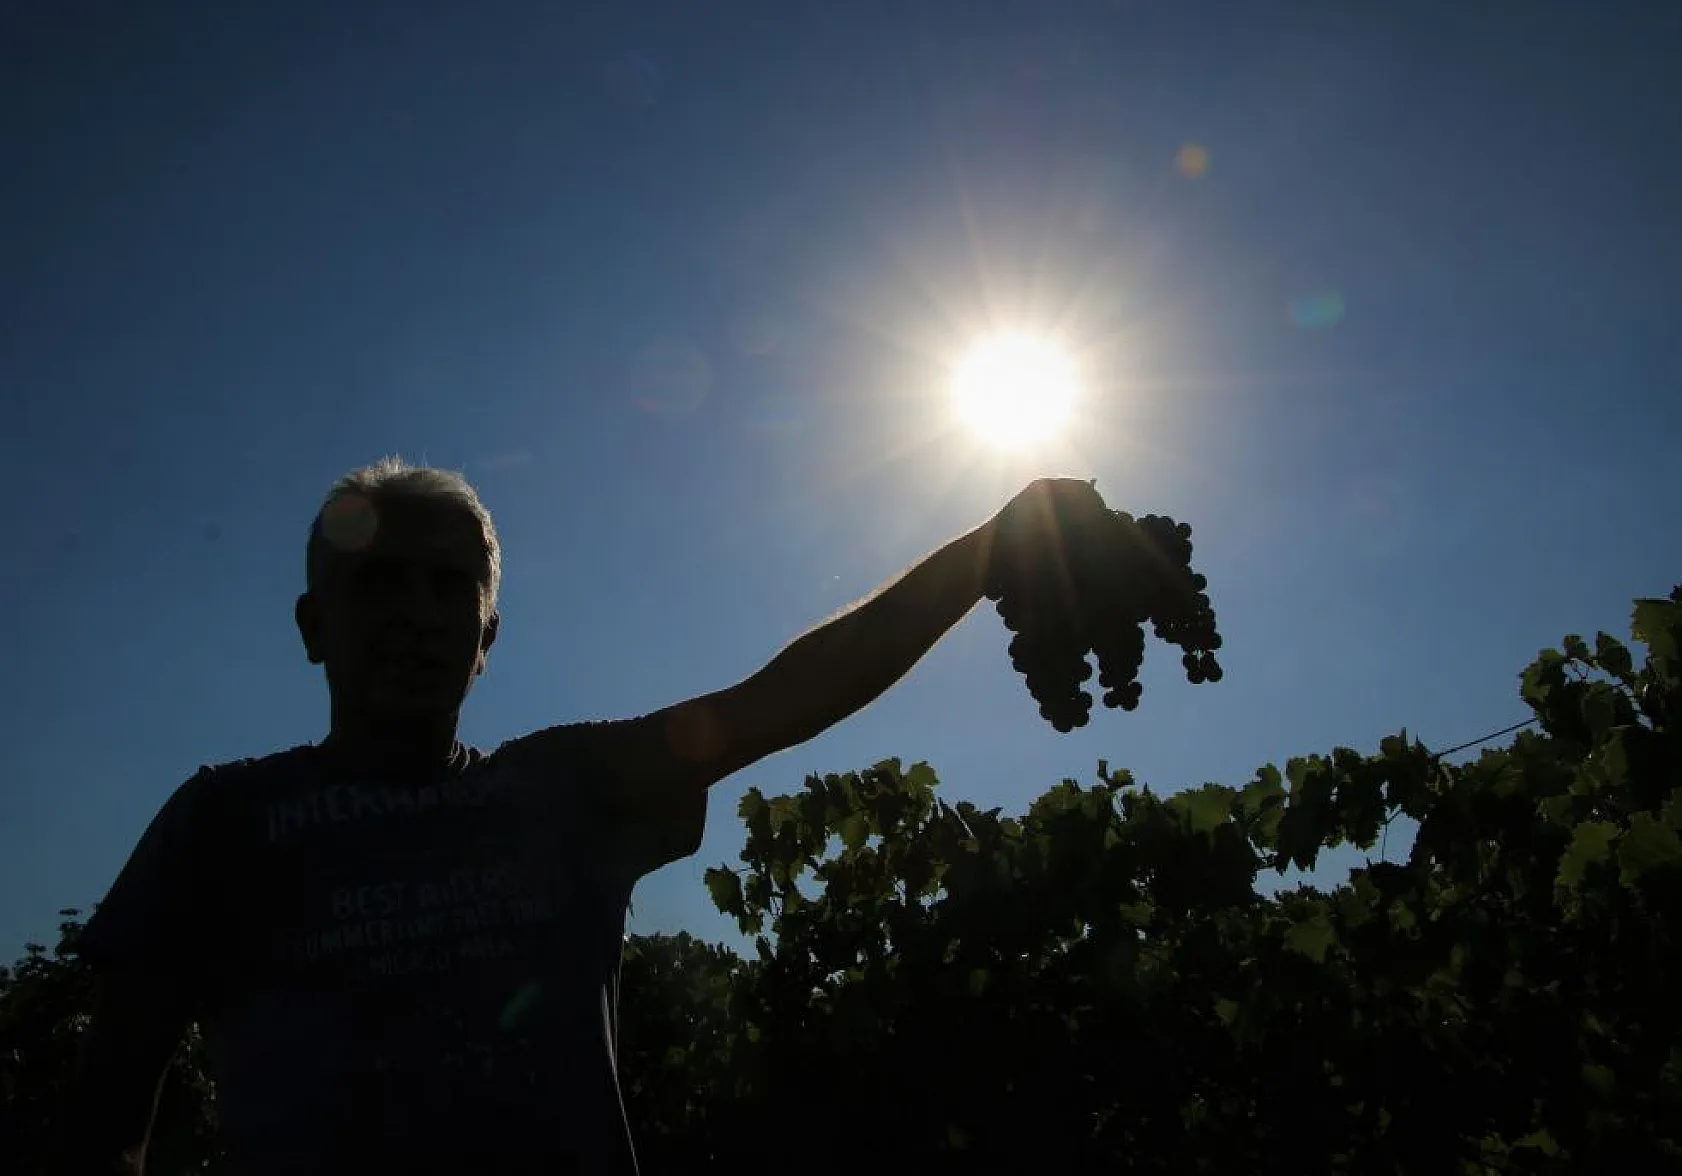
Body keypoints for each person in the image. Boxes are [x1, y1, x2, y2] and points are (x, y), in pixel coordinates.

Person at [55, 456, 1101, 1175]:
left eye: (447, 588)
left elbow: (779, 701)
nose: (416, 614)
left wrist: (987, 549)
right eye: (379, 585)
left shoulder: (563, 789)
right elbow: (105, 1115)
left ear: (486, 635)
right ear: (313, 625)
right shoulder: (221, 822)